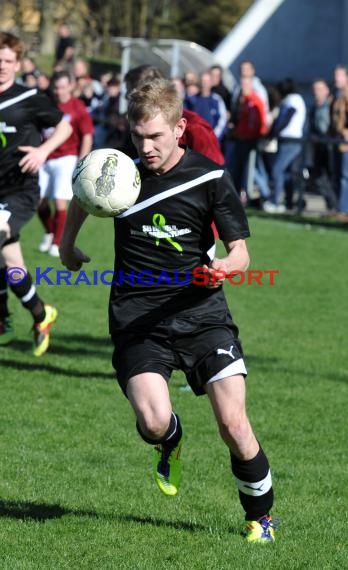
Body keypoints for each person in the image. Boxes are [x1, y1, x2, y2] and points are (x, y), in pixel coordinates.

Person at [59, 78, 277, 543]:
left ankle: (261, 517)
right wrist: (67, 245)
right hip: (138, 320)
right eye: (138, 137)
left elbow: (241, 251)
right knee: (154, 421)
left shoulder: (211, 178)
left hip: (203, 316)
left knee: (234, 424)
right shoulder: (121, 173)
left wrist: (225, 266)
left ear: (180, 128)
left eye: (155, 136)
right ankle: (170, 440)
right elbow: (84, 193)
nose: (146, 147)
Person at [0, 31, 72, 356]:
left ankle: (1, 314)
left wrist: (43, 152)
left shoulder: (30, 97)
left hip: (19, 190)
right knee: (10, 263)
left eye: (8, 61)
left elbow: (65, 126)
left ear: (18, 63)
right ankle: (39, 313)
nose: (1, 66)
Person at [38, 70, 94, 257]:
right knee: (39, 201)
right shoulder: (46, 104)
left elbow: (87, 135)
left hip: (67, 158)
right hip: (45, 157)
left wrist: (82, 160)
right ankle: (49, 231)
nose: (59, 91)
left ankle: (57, 242)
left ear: (70, 86)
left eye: (62, 87)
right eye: (56, 87)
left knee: (60, 201)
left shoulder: (78, 108)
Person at [263, 78, 307, 213]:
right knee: (286, 173)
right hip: (290, 140)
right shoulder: (295, 99)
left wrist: (275, 133)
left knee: (277, 170)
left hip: (290, 140)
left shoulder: (292, 99)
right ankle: (289, 201)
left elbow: (287, 116)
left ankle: (275, 201)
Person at [308, 79, 338, 214]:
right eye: (315, 89)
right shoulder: (314, 107)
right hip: (319, 146)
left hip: (331, 147)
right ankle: (332, 204)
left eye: (320, 89)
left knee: (333, 175)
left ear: (326, 90)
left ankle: (337, 205)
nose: (317, 92)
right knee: (318, 177)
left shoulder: (332, 105)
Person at [330, 65, 348, 221]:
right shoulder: (337, 95)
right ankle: (340, 208)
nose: (336, 78)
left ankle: (343, 210)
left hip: (345, 143)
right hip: (337, 141)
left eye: (339, 75)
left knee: (344, 176)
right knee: (337, 175)